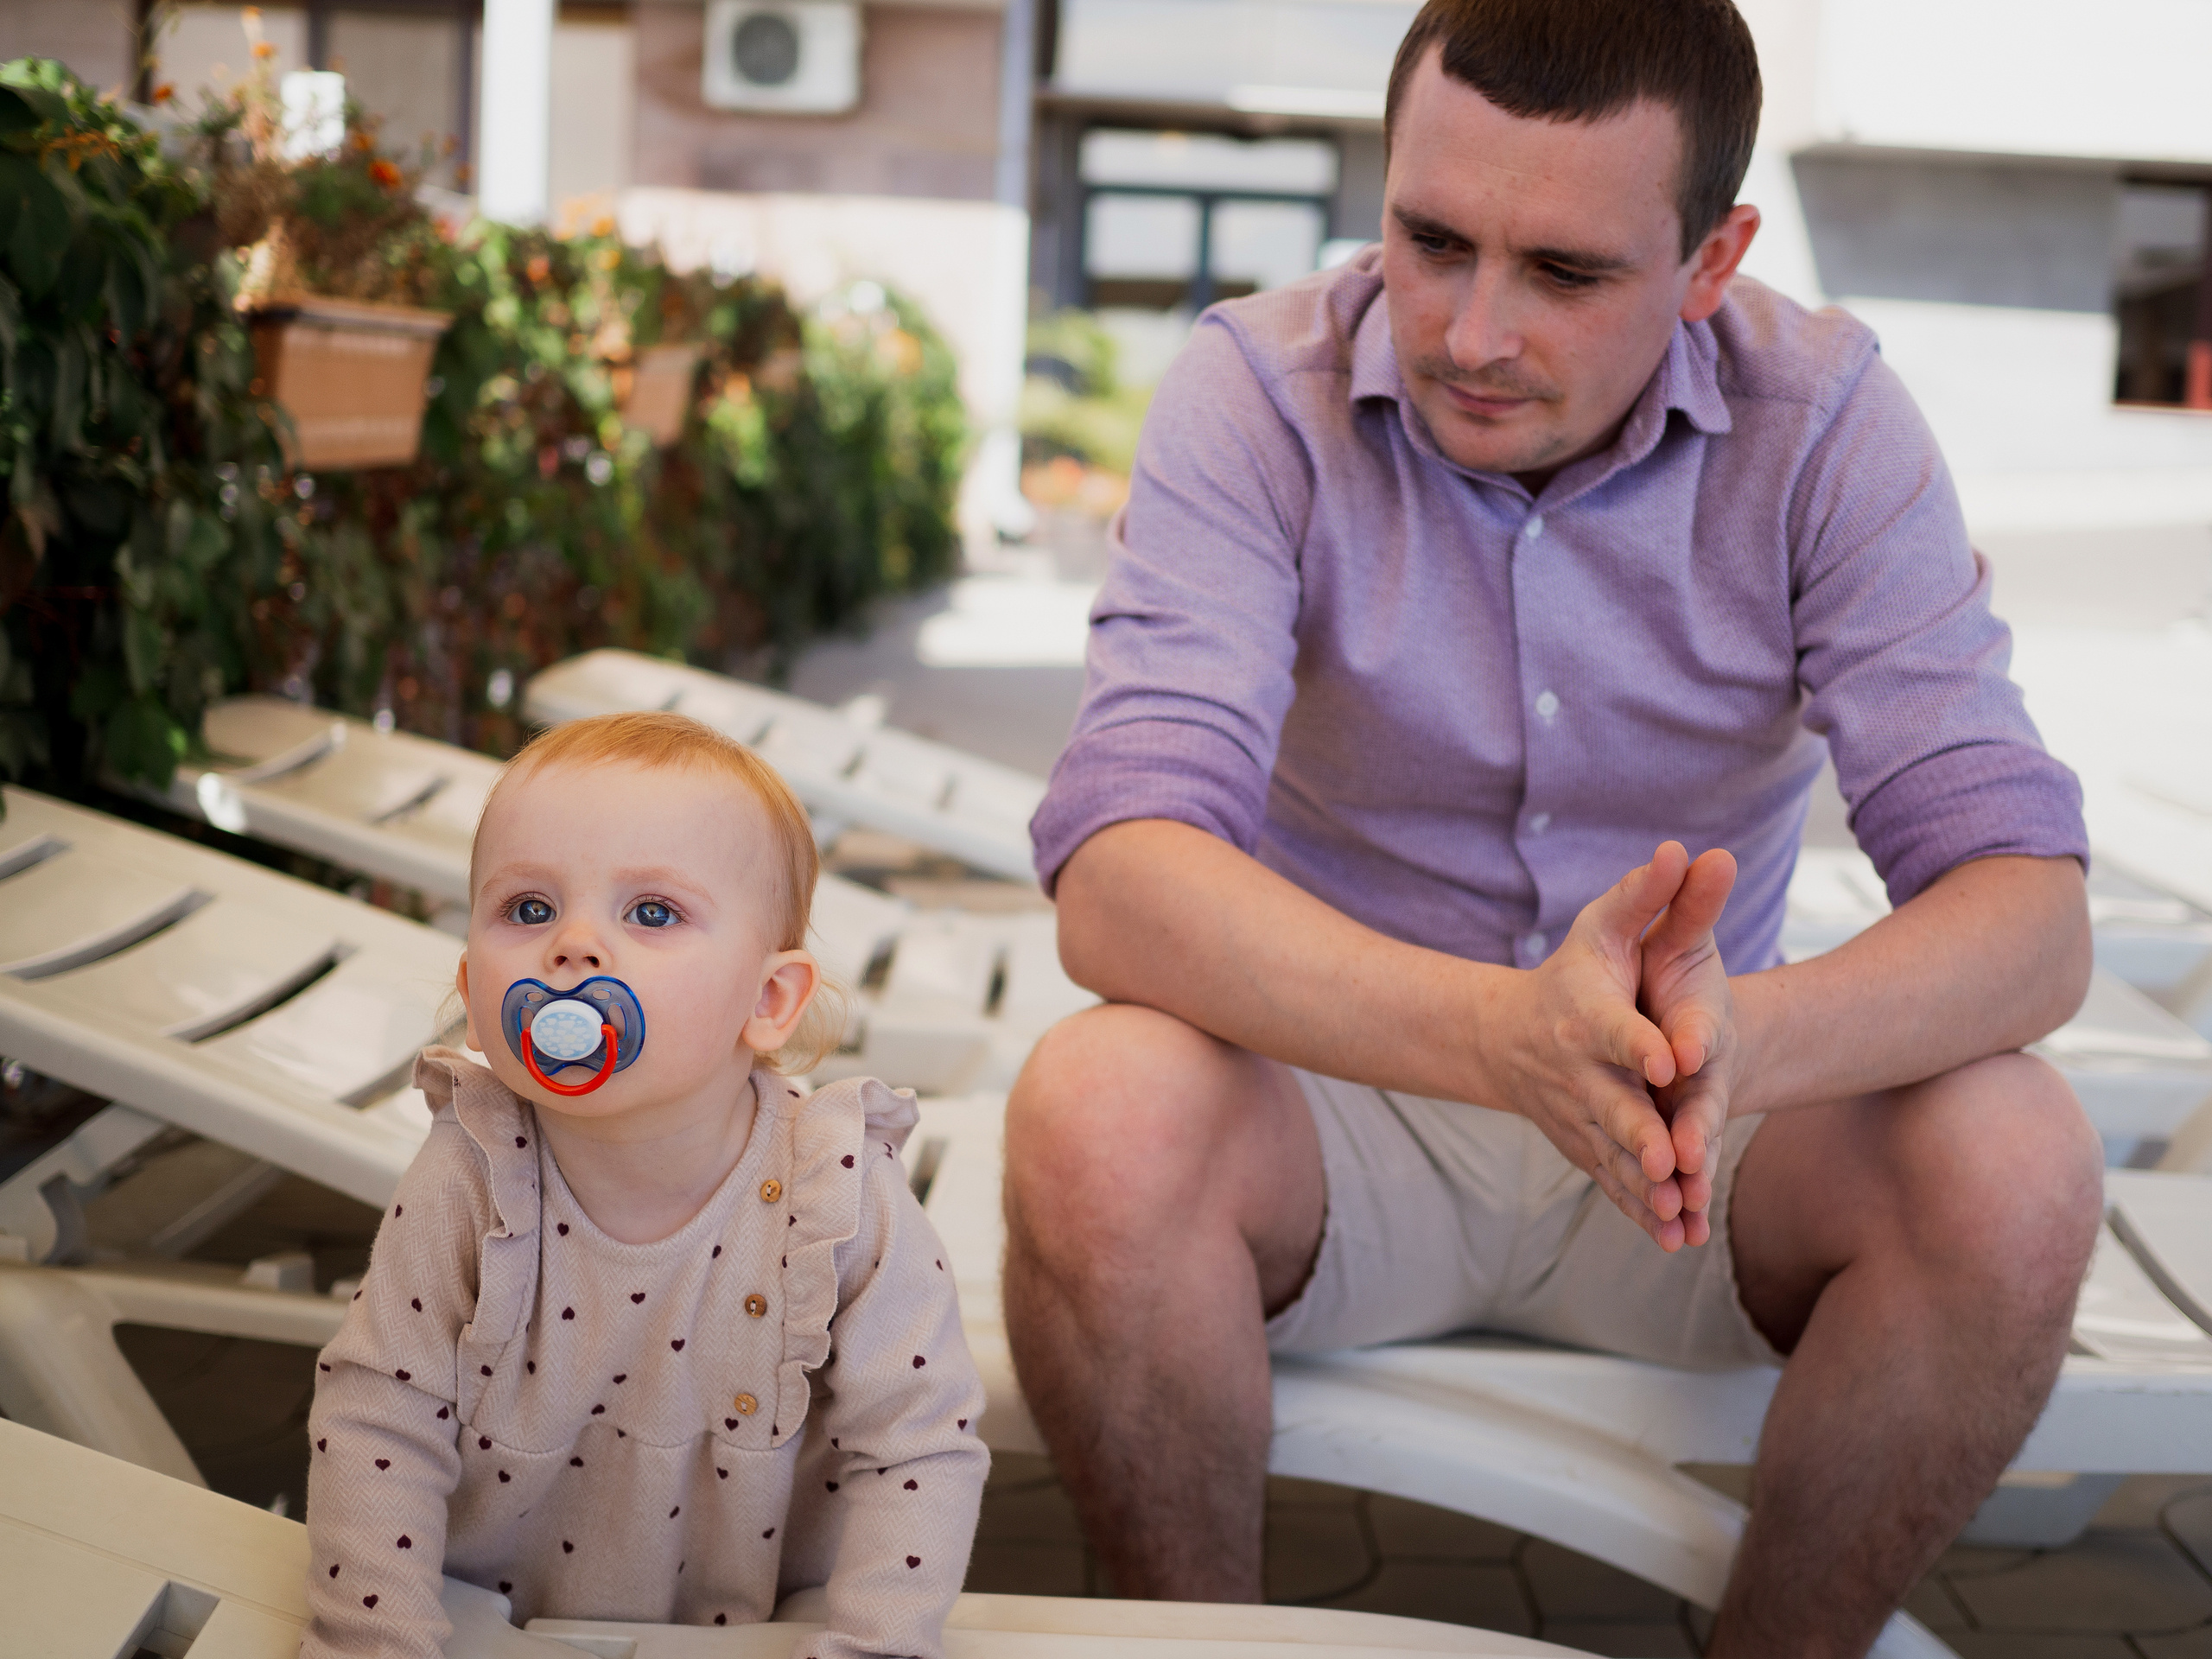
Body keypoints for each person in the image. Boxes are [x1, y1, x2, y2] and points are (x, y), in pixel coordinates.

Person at [1003, 1, 2104, 1654]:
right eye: (1430, 239)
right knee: (1096, 1107)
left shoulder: (1830, 427)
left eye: (1567, 275)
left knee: (2019, 1157)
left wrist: (1753, 1032)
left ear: (1711, 261)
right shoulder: (1255, 389)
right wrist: (1502, 1035)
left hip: (1697, 1133)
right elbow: (1121, 885)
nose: (1469, 332)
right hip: (1335, 1111)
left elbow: (2032, 915)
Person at [302, 712, 988, 1659]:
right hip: (490, 1616)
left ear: (767, 1000)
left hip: (762, 1625)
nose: (574, 948)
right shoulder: (473, 1167)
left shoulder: (837, 1192)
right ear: (471, 983)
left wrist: (875, 1644)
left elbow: (919, 1440)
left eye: (652, 913)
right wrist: (370, 1641)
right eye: (529, 910)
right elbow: (379, 1409)